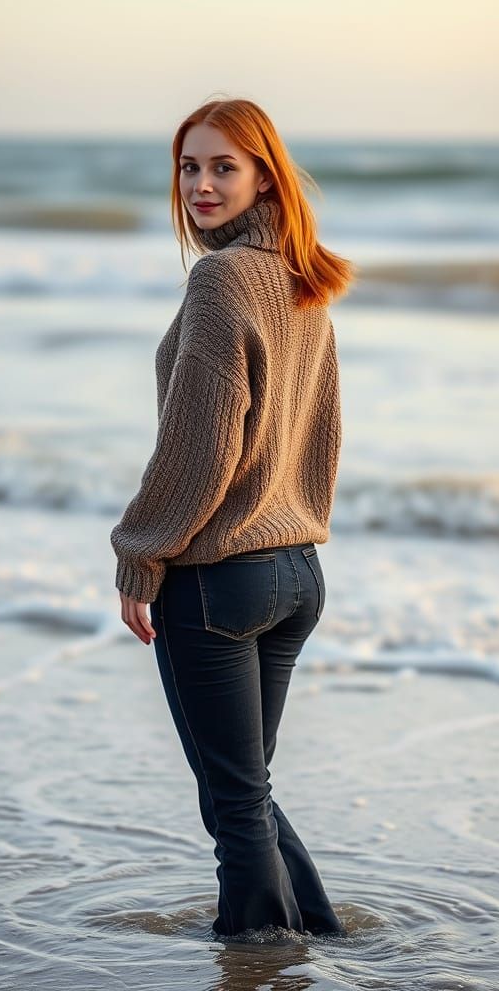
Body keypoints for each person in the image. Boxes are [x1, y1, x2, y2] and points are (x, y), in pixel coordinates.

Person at [110, 96, 354, 939]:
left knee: (236, 803)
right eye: (188, 166)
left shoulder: (220, 280)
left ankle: (257, 956)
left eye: (223, 167)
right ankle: (317, 937)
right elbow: (321, 430)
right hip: (295, 575)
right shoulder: (303, 275)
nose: (201, 185)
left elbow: (199, 448)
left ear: (262, 175)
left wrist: (139, 554)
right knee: (246, 792)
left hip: (220, 582)